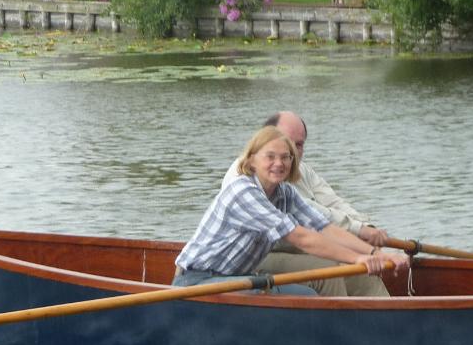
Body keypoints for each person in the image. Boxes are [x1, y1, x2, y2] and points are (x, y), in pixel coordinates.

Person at [174, 126, 409, 295]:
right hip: (197, 282)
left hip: (236, 278)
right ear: (252, 160)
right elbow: (301, 237)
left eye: (285, 157)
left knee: (309, 291)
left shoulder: (285, 193)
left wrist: (375, 254)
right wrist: (359, 258)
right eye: (271, 157)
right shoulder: (242, 191)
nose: (279, 163)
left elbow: (324, 228)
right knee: (294, 296)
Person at [222, 111, 392, 296]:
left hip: (290, 246)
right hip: (250, 256)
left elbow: (330, 205)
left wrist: (366, 229)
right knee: (329, 269)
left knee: (359, 269)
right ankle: (339, 322)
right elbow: (307, 226)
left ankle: (385, 319)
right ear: (264, 139)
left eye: (299, 145)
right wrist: (360, 234)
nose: (291, 152)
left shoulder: (296, 172)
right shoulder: (244, 178)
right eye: (286, 142)